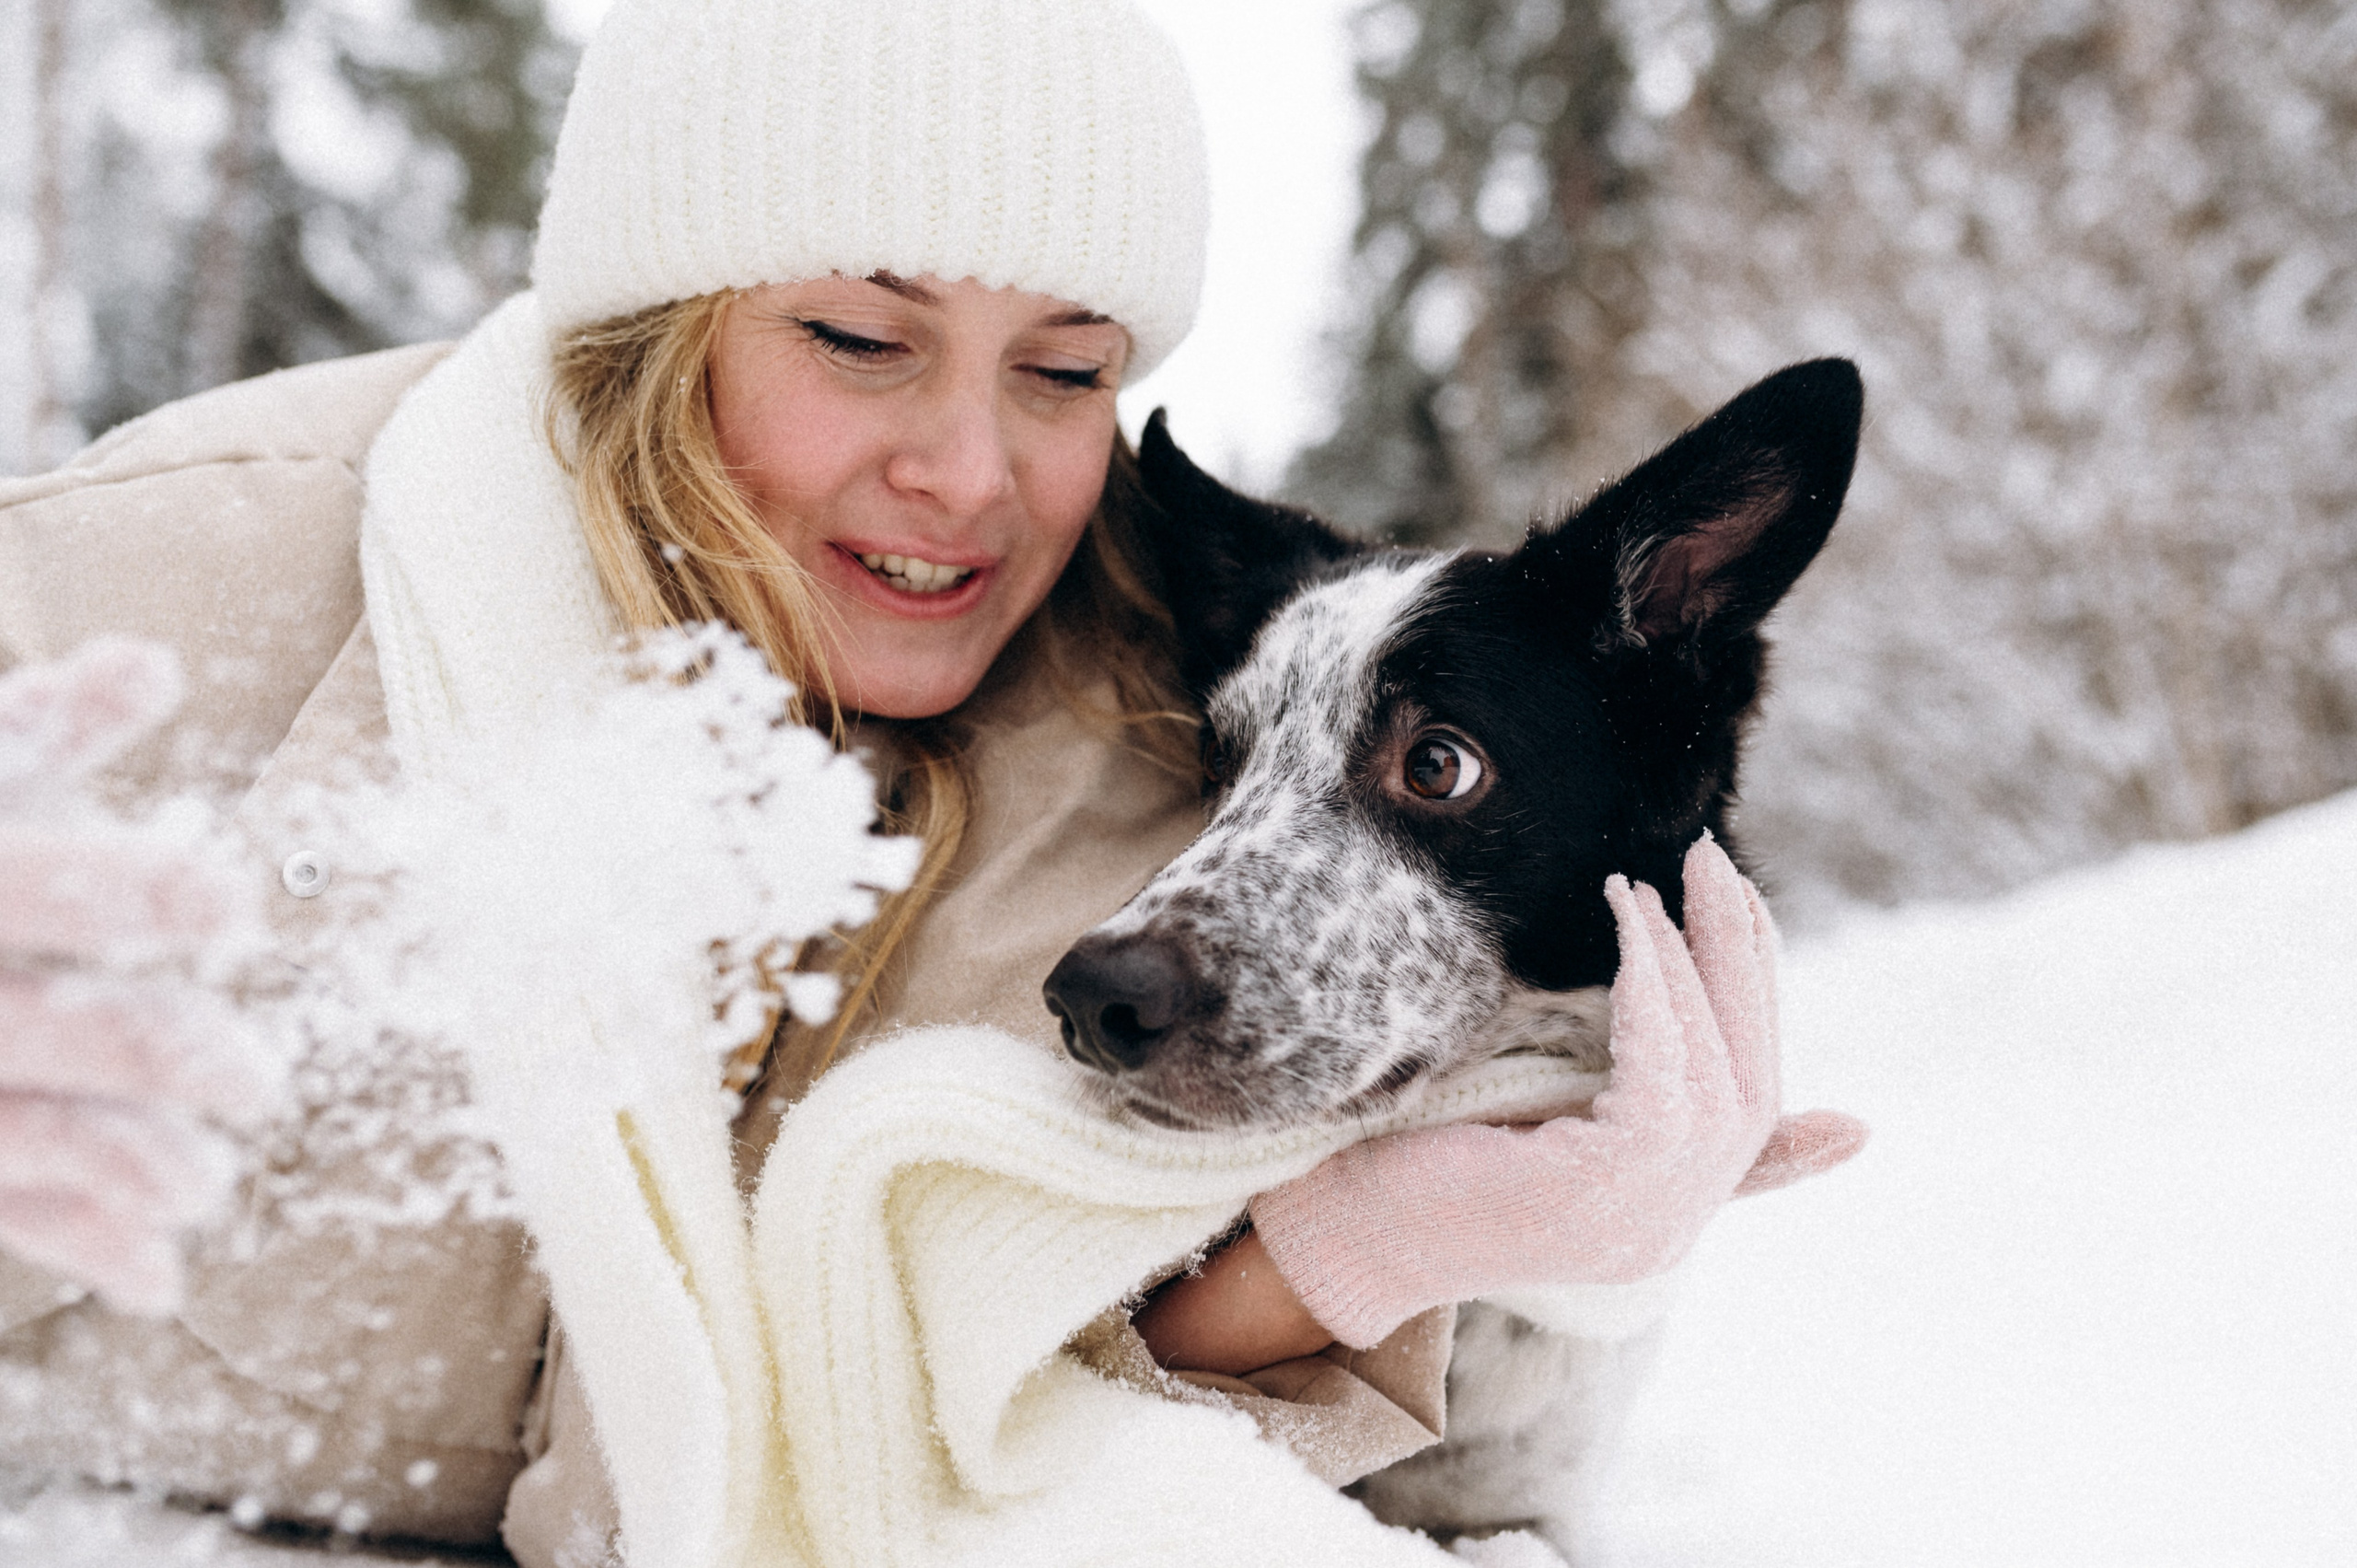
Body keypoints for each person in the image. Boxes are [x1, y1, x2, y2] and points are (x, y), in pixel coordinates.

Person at [0, 0, 1861, 1561]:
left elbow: (1318, 1496)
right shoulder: (164, 603)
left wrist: (1458, 1248)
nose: (967, 472)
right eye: (860, 340)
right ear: (652, 324)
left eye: (1061, 373)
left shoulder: (1145, 777)